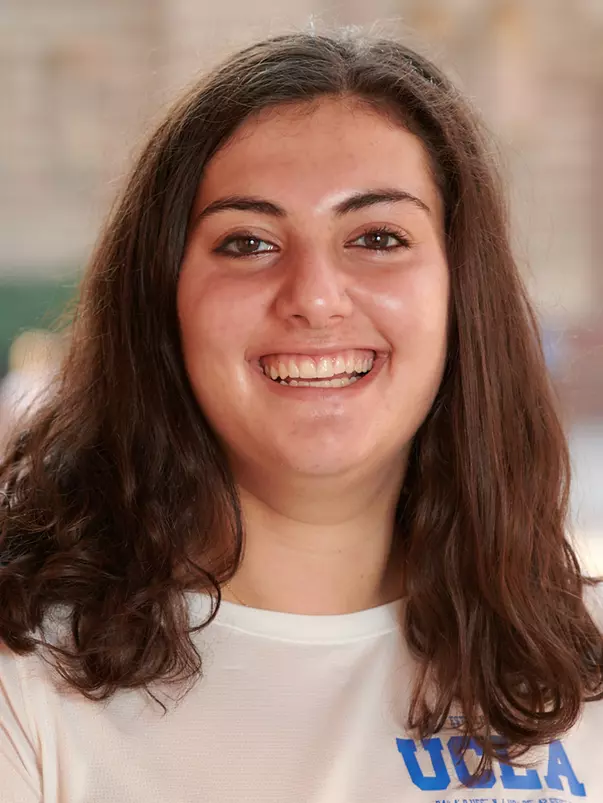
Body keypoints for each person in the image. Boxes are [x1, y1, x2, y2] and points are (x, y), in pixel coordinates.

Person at [0, 30, 601, 803]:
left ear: (462, 295)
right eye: (247, 242)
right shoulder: (25, 677)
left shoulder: (579, 657)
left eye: (377, 237)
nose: (314, 296)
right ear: (160, 299)